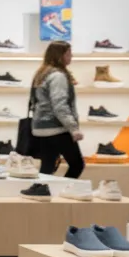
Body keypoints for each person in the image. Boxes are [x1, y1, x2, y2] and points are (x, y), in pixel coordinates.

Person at [30, 41, 85, 179]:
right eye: (68, 53)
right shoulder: (58, 76)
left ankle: (41, 190)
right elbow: (59, 105)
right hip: (57, 128)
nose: (71, 56)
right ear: (59, 55)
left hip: (41, 127)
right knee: (77, 164)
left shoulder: (42, 73)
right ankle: (63, 191)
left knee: (47, 165)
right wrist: (73, 128)